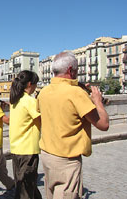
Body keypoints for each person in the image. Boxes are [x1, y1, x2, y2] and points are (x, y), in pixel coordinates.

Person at [37, 52, 109, 199]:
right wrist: (98, 101)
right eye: (76, 71)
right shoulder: (76, 93)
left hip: (47, 154)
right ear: (70, 70)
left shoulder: (43, 92)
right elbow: (103, 124)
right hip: (66, 159)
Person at [9, 70, 42, 199]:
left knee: (24, 184)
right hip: (28, 149)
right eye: (35, 84)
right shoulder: (29, 101)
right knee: (25, 189)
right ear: (30, 84)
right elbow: (41, 119)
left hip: (16, 148)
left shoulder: (15, 100)